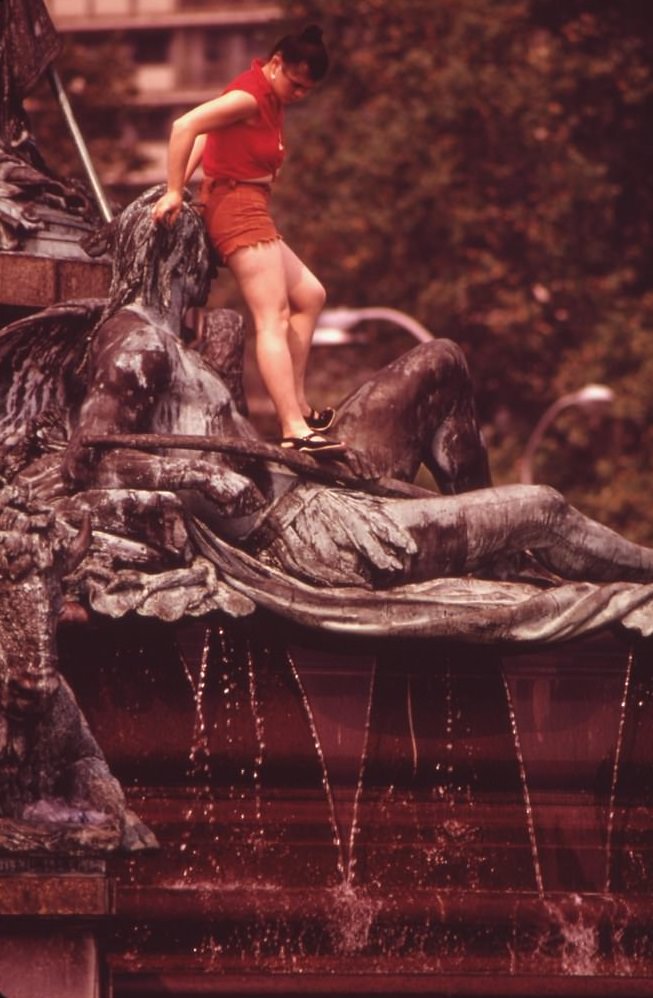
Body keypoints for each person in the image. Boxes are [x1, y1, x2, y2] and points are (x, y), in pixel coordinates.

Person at [61, 188, 653, 602]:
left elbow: (218, 436)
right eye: (203, 260)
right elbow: (93, 459)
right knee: (542, 508)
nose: (211, 275)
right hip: (307, 535)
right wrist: (199, 477)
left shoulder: (173, 341)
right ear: (174, 258)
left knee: (440, 361)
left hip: (312, 482)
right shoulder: (138, 344)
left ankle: (494, 555)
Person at [151, 24, 343, 457]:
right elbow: (186, 125)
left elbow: (207, 135)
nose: (299, 94)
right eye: (295, 83)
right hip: (236, 207)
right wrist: (175, 191)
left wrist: (196, 184)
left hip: (252, 204)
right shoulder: (250, 96)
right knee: (271, 315)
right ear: (276, 65)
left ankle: (299, 405)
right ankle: (292, 427)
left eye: (306, 90)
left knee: (311, 295)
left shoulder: (269, 98)